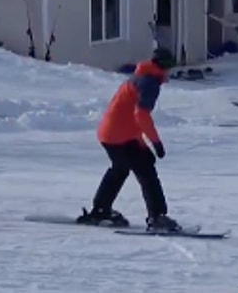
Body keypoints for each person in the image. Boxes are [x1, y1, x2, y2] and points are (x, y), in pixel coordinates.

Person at [76, 47, 179, 232]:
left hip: (109, 133)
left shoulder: (140, 77)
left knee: (120, 168)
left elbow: (128, 115)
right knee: (146, 171)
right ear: (164, 66)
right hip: (120, 136)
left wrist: (143, 142)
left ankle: (101, 209)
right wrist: (156, 142)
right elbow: (141, 115)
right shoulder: (149, 83)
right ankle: (157, 217)